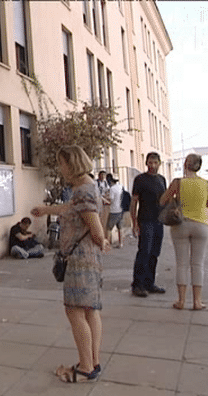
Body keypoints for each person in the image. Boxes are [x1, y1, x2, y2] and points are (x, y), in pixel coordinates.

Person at [31, 145, 110, 383]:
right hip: (88, 258)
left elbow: (95, 227)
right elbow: (72, 208)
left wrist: (102, 239)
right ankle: (92, 362)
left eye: (62, 164)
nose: (61, 169)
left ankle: (85, 368)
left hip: (80, 261)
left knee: (75, 310)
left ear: (72, 164)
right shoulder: (87, 187)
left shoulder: (83, 190)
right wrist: (46, 209)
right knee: (90, 310)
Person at [159, 154, 208, 311]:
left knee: (181, 264)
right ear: (198, 166)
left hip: (181, 225)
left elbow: (162, 200)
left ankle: (181, 301)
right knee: (197, 264)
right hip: (201, 226)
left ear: (185, 164)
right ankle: (197, 302)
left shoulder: (178, 182)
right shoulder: (205, 184)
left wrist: (175, 200)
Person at [130, 152, 167, 297]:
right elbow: (134, 202)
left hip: (159, 221)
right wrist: (134, 223)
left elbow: (165, 199)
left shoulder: (161, 180)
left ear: (159, 163)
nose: (152, 165)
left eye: (155, 163)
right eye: (149, 163)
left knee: (154, 253)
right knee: (144, 252)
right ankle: (137, 284)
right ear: (146, 164)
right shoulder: (140, 179)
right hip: (145, 221)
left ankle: (149, 283)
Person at [106, 173, 124, 248]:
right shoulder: (120, 186)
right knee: (120, 228)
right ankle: (121, 243)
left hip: (114, 210)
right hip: (121, 209)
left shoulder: (112, 189)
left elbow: (110, 201)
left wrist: (103, 199)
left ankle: (108, 244)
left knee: (108, 228)